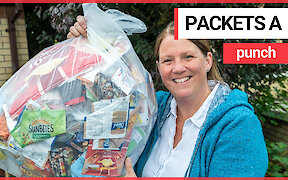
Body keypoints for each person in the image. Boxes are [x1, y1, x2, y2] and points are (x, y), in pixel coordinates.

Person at [68, 16, 268, 177]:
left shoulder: (238, 126)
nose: (178, 68)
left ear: (207, 61)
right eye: (168, 60)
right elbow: (99, 98)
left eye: (188, 57)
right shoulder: (153, 109)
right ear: (159, 68)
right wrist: (87, 44)